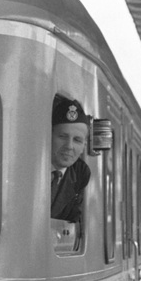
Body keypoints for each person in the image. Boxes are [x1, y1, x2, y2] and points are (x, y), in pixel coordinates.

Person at [50, 96, 90, 224]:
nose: (69, 146)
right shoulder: (28, 165)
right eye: (62, 136)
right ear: (49, 136)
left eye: (77, 140)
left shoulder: (80, 174)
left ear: (84, 146)